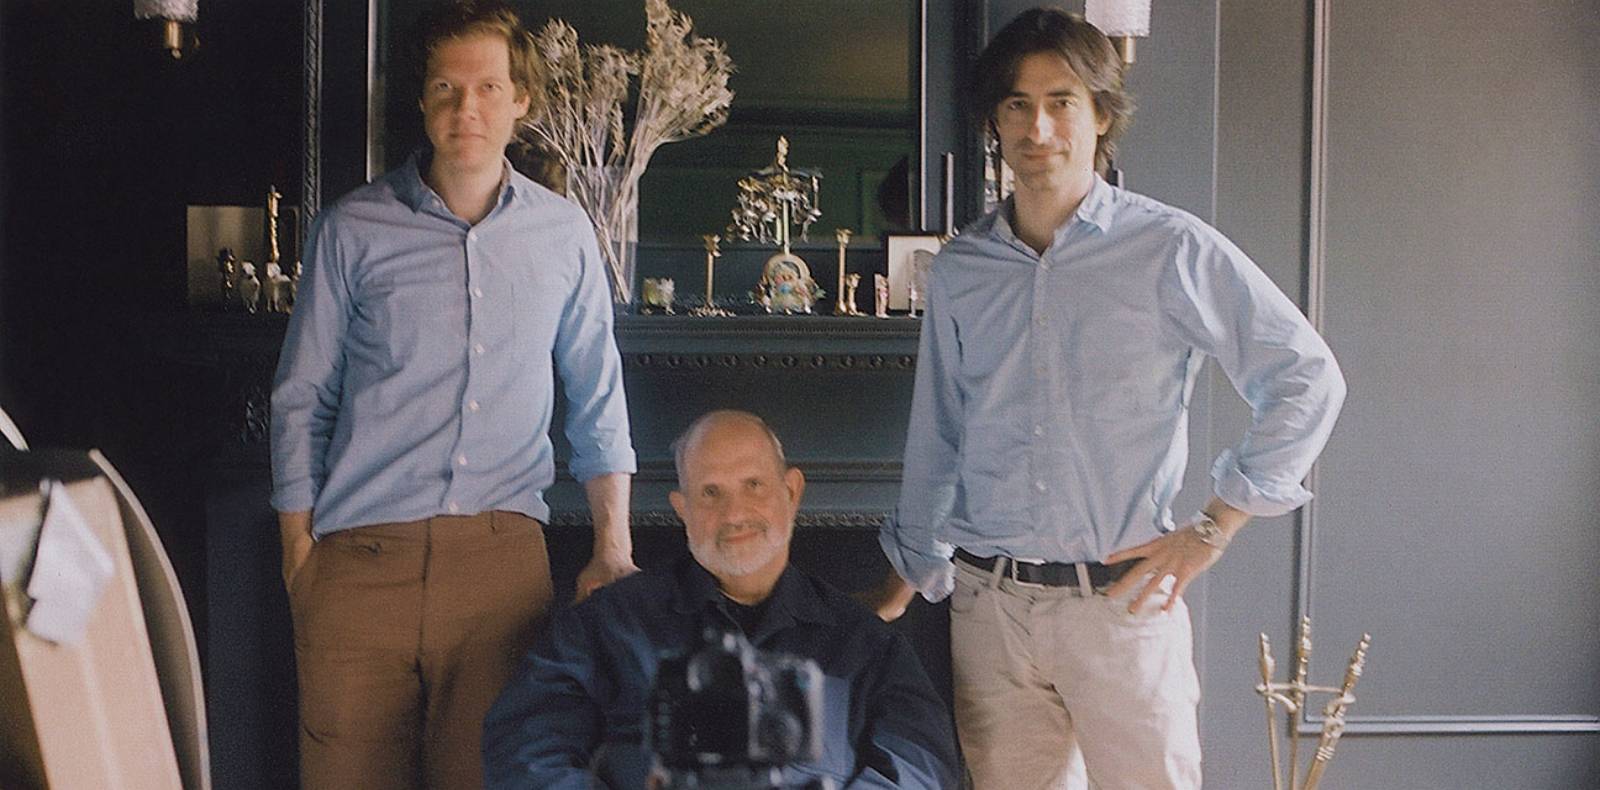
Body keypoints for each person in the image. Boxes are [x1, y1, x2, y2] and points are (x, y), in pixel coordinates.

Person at [862, 8, 1347, 789]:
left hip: (1122, 607)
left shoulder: (1170, 249)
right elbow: (939, 436)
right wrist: (902, 580)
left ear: (1100, 115)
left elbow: (1306, 375)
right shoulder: (959, 271)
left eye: (1061, 102)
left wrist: (1214, 528)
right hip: (990, 614)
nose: (1038, 127)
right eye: (1017, 104)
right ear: (995, 122)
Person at [269, 2, 637, 787]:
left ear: (521, 101)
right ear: (423, 99)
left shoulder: (566, 235)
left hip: (501, 578)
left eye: (487, 87)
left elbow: (597, 395)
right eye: (446, 87)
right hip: (359, 564)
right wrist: (299, 556)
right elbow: (302, 396)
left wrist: (613, 546)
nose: (466, 107)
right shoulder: (350, 229)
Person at [483, 411, 958, 789]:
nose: (734, 513)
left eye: (753, 485)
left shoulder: (867, 644)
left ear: (791, 492)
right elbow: (524, 746)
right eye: (711, 492)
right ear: (683, 509)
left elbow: (921, 765)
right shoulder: (606, 623)